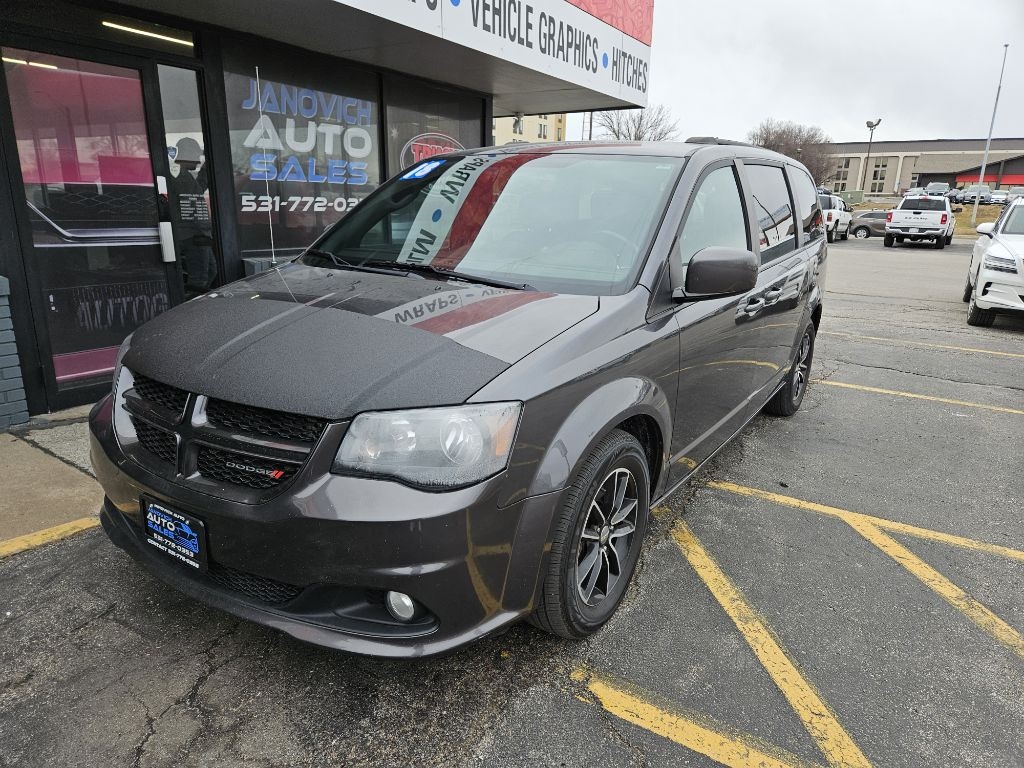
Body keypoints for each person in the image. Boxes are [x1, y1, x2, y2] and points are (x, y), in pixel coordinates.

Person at [167, 137, 217, 298]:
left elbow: (196, 190)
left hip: (195, 233)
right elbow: (193, 199)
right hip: (193, 234)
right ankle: (190, 306)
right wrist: (206, 229)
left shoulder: (182, 175)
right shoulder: (179, 175)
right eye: (196, 155)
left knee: (210, 272)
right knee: (200, 279)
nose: (197, 159)